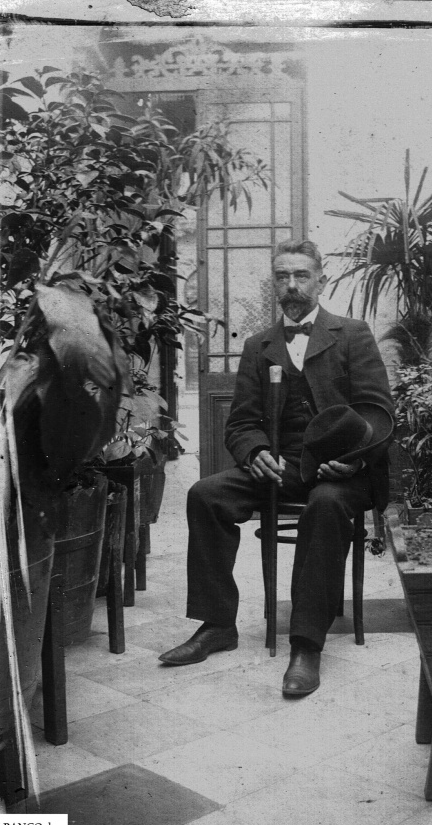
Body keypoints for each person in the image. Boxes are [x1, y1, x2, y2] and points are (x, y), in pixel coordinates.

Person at [159, 239, 394, 696]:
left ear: (320, 281)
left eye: (301, 275)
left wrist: (350, 461)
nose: (291, 285)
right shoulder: (258, 345)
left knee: (325, 506)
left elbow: (378, 413)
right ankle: (217, 625)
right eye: (282, 276)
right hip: (281, 468)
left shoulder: (353, 334)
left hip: (343, 473)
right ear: (274, 284)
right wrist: (255, 453)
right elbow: (241, 422)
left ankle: (306, 645)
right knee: (206, 494)